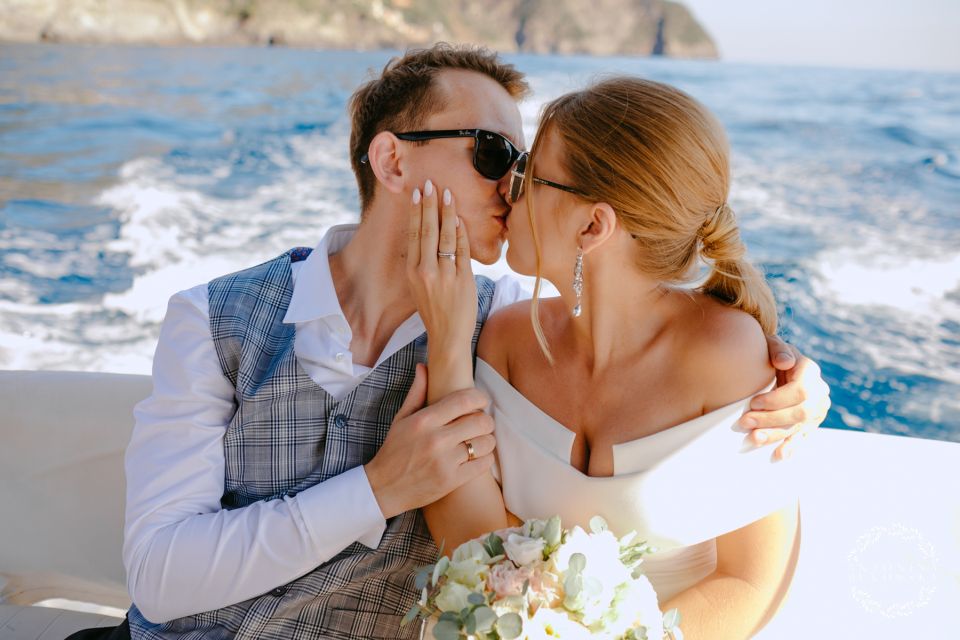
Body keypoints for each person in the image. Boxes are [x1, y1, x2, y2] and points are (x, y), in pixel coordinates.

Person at [69, 45, 829, 640]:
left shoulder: (504, 328)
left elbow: (634, 313)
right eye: (495, 154)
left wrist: (790, 377)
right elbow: (159, 580)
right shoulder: (211, 319)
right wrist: (379, 488)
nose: (511, 187)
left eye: (525, 167)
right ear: (394, 160)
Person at [409, 76, 819, 639]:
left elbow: (752, 582)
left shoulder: (725, 356)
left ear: (593, 226)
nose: (506, 188)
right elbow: (471, 542)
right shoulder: (504, 340)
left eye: (528, 174)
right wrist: (449, 346)